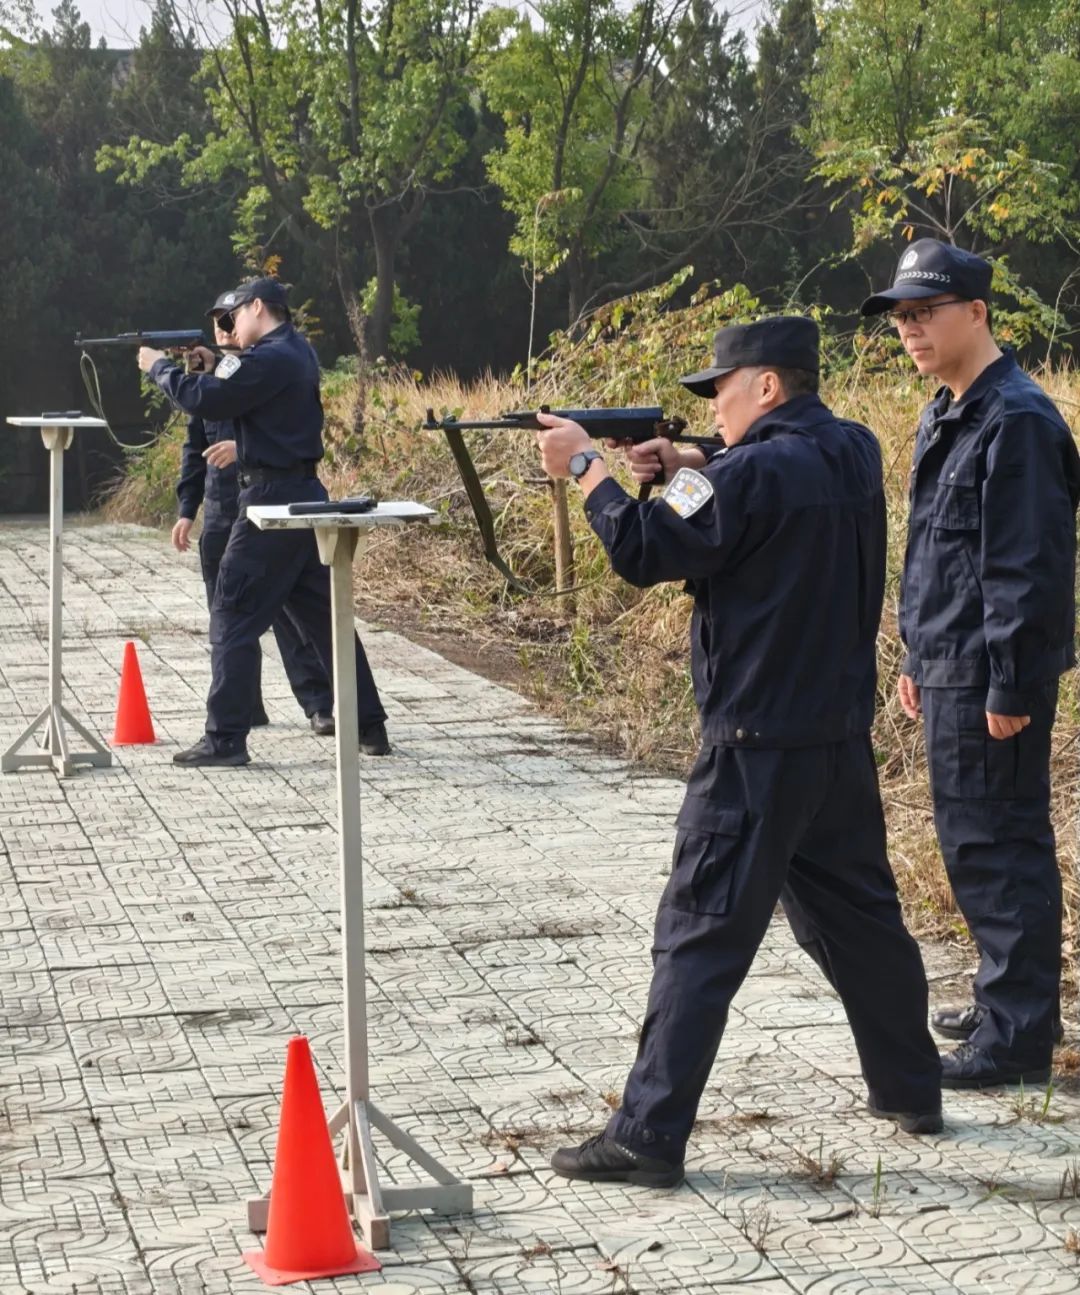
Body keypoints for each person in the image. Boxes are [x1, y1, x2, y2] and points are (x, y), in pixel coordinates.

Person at [535, 317, 942, 1189]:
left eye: (719, 391)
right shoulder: (854, 449)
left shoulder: (750, 471)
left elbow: (643, 549)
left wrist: (588, 470)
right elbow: (749, 502)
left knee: (698, 935)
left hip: (753, 746)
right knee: (863, 923)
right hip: (835, 738)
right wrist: (687, 466)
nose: (712, 410)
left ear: (765, 385)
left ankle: (647, 1134)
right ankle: (913, 1085)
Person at [862, 240, 1080, 1088]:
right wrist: (919, 652)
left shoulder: (1017, 419)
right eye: (902, 318)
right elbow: (941, 556)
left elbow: (1026, 565)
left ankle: (1019, 1038)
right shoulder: (949, 410)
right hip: (950, 662)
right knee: (972, 843)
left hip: (993, 676)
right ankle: (1005, 998)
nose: (910, 330)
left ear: (978, 313)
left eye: (925, 313)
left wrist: (1013, 682)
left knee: (1000, 845)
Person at [138, 277, 389, 767]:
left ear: (257, 308)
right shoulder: (295, 351)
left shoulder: (270, 358)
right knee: (326, 619)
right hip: (303, 496)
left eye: (235, 317)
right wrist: (216, 363)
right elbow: (245, 383)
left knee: (231, 613)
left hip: (271, 501)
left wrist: (159, 369)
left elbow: (209, 400)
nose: (230, 328)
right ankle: (369, 725)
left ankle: (226, 738)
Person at [171, 307, 337, 735]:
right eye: (216, 324)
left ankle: (319, 703)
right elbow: (194, 449)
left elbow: (285, 439)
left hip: (264, 509)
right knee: (227, 623)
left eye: (230, 321)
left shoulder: (262, 370)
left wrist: (240, 448)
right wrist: (187, 510)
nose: (223, 330)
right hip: (222, 512)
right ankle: (245, 707)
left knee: (292, 618)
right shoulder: (212, 378)